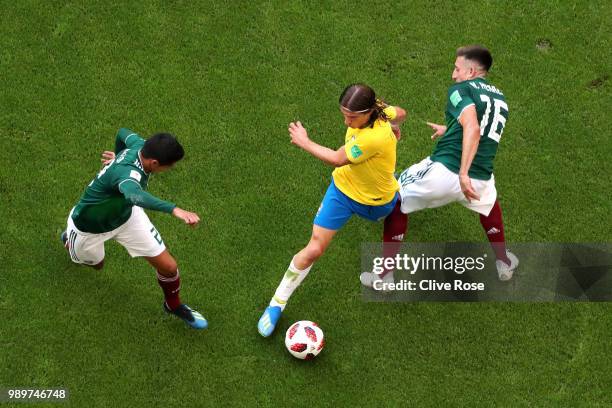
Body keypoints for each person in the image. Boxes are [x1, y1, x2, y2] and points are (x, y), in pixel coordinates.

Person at [361, 45, 519, 290]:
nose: (454, 75)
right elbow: (483, 131)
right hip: (481, 178)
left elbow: (473, 129)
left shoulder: (460, 89)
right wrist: (450, 130)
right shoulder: (500, 98)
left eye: (457, 69)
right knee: (489, 209)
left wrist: (462, 173)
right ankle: (504, 262)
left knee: (396, 199)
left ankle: (384, 277)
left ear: (471, 71)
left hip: (446, 172)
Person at [257, 84, 407, 337]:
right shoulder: (379, 113)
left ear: (369, 111)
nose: (347, 121)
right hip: (343, 191)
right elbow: (399, 113)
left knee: (397, 214)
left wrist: (304, 142)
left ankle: (387, 270)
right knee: (314, 248)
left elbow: (337, 158)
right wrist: (395, 125)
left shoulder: (374, 136)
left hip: (376, 201)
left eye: (352, 117)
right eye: (344, 114)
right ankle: (276, 304)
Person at [60, 128, 207, 329]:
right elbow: (134, 196)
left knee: (169, 267)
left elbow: (122, 133)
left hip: (126, 217)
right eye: (168, 166)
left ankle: (173, 305)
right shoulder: (129, 176)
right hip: (89, 228)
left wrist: (117, 156)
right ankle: (69, 240)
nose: (168, 169)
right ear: (154, 163)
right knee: (97, 265)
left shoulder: (140, 145)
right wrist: (175, 210)